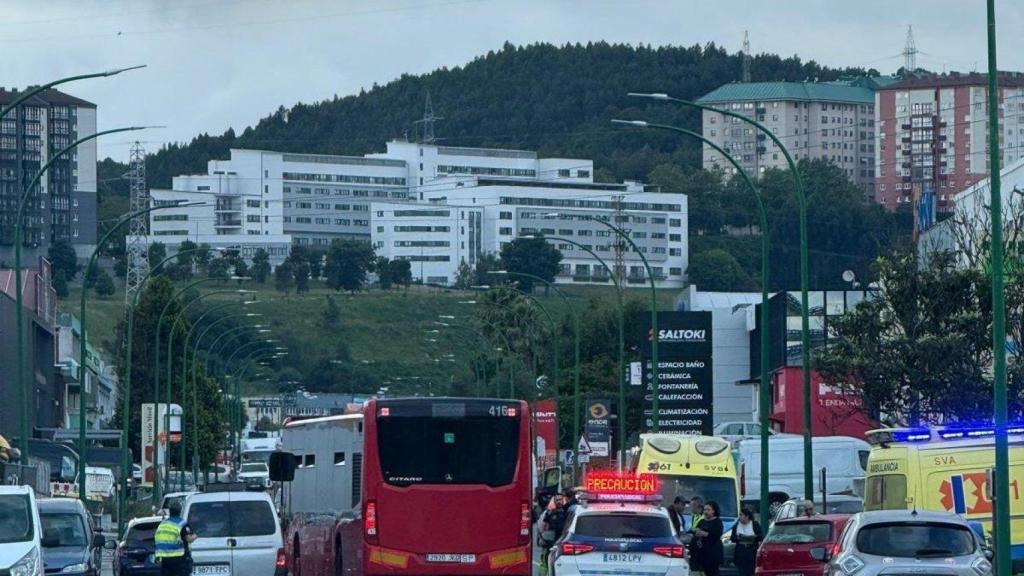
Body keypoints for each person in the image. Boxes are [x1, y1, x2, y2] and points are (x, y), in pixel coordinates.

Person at [154, 500, 196, 576]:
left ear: (170, 511)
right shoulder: (181, 523)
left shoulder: (163, 524)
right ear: (180, 511)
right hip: (179, 559)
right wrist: (195, 536)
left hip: (165, 560)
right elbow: (189, 539)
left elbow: (158, 540)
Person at [692, 501, 724, 576]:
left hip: (713, 554)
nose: (706, 512)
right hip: (702, 553)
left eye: (708, 510)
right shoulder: (702, 521)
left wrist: (705, 534)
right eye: (705, 509)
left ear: (713, 511)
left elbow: (717, 534)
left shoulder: (717, 522)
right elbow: (696, 532)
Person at [729, 508, 763, 576]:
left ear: (747, 516)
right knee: (742, 570)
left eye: (741, 515)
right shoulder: (736, 525)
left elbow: (760, 536)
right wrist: (738, 538)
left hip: (751, 549)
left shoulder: (754, 524)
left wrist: (754, 537)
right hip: (741, 550)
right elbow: (732, 538)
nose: (740, 517)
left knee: (751, 570)